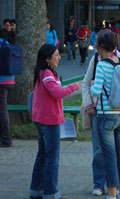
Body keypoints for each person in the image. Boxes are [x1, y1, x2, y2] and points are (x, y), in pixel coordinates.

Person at [82, 31, 120, 196]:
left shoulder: (101, 64)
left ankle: (111, 194)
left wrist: (96, 86)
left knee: (108, 156)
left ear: (101, 46)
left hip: (105, 114)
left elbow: (94, 88)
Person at [29, 44, 80, 199]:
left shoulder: (43, 73)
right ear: (47, 59)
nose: (59, 57)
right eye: (56, 55)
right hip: (49, 121)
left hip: (41, 119)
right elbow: (58, 93)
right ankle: (50, 192)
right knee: (52, 158)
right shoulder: (47, 74)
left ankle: (36, 190)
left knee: (42, 155)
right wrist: (76, 86)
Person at [0, 39, 14, 147]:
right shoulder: (5, 42)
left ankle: (5, 139)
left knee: (2, 110)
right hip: (10, 79)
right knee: (3, 109)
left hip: (1, 81)